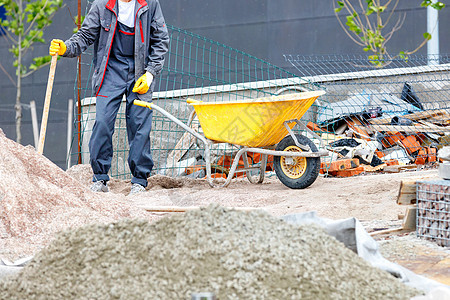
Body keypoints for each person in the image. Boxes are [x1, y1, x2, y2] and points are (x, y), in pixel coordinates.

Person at [49, 0, 169, 195]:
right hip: (110, 71)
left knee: (139, 124)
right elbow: (85, 35)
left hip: (140, 71)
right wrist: (66, 48)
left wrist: (150, 73)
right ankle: (99, 178)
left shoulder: (149, 4)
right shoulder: (102, 5)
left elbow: (160, 39)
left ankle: (139, 181)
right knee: (103, 121)